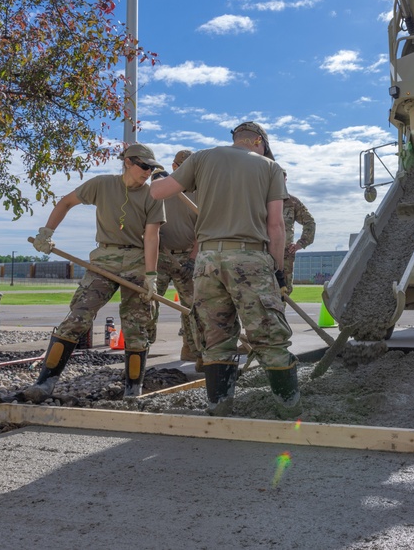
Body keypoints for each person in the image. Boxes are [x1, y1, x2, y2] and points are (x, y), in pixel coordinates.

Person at [150, 122, 301, 419]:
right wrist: (279, 272)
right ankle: (290, 411)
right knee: (270, 338)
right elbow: (276, 225)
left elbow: (158, 192)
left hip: (207, 262)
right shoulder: (270, 167)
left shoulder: (202, 158)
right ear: (258, 141)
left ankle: (219, 409)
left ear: (234, 139)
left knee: (216, 340)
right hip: (249, 258)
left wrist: (158, 174)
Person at [27, 143, 166, 401]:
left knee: (137, 326)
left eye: (152, 168)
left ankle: (132, 389)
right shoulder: (102, 184)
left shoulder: (153, 196)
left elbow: (152, 236)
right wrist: (46, 233)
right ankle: (45, 382)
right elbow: (66, 202)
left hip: (136, 260)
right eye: (144, 166)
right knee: (78, 316)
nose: (148, 172)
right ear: (128, 162)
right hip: (104, 259)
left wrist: (150, 276)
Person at [150, 150, 203, 365]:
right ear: (173, 166)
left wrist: (192, 259)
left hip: (187, 258)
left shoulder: (199, 193)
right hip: (160, 256)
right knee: (150, 302)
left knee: (193, 308)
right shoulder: (158, 190)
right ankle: (142, 347)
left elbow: (204, 230)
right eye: (180, 166)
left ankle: (194, 351)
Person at [281, 170, 316, 295]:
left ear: (286, 181)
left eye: (282, 179)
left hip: (284, 256)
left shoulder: (292, 202)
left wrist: (300, 243)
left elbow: (310, 223)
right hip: (263, 254)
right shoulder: (261, 200)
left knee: (283, 294)